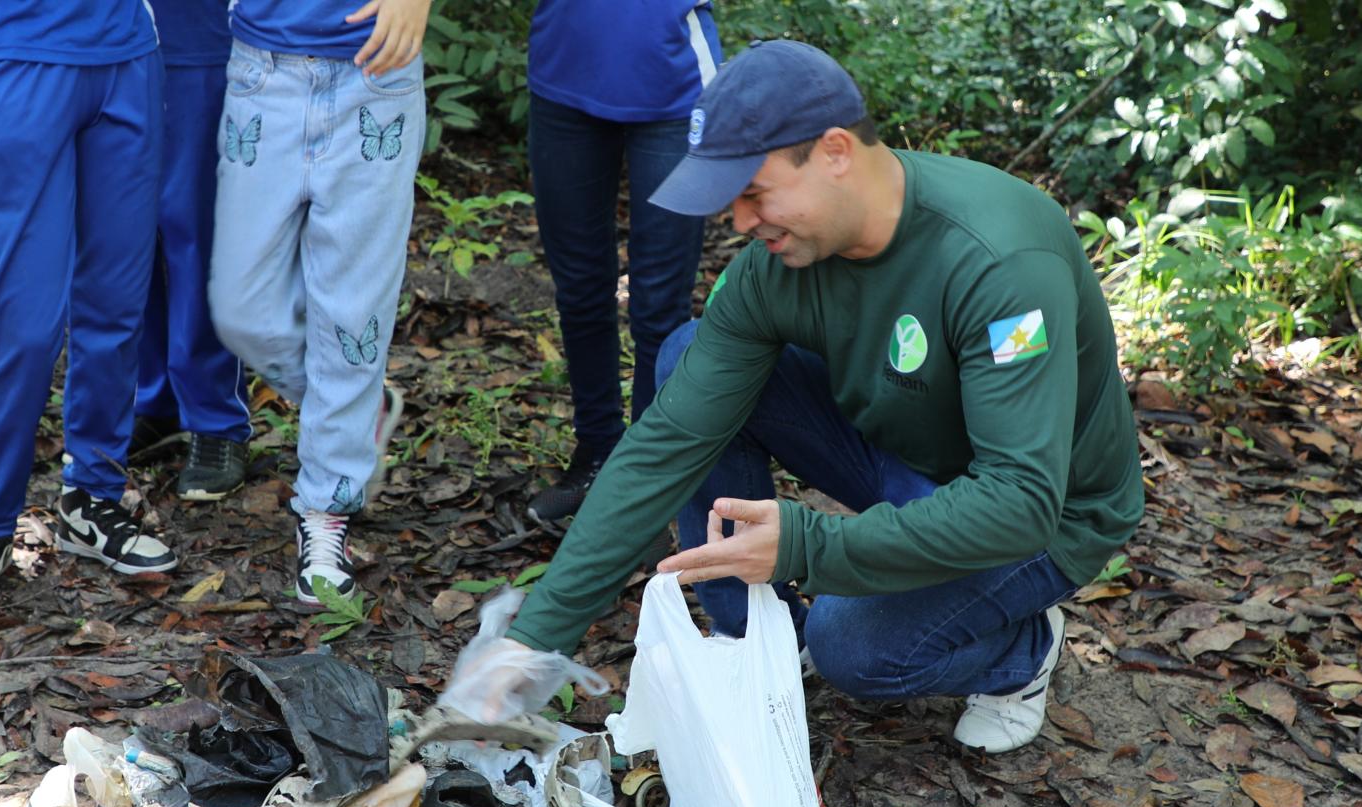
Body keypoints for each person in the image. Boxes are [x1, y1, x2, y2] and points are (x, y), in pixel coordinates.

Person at [448, 41, 1142, 753]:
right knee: (688, 356)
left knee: (854, 646)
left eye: (754, 191)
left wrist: (808, 543)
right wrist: (533, 642)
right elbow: (665, 447)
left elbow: (1019, 503)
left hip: (1049, 509)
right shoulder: (776, 269)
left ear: (835, 151)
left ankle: (1020, 651)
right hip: (902, 443)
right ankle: (756, 647)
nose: (740, 221)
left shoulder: (998, 263)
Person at [0, 0, 176, 618]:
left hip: (128, 53)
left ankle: (91, 499)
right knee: (25, 323)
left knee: (116, 306)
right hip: (22, 54)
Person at [207, 0, 427, 605]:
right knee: (238, 307)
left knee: (355, 308)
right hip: (262, 72)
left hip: (377, 73)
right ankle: (357, 413)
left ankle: (327, 511)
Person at [521, 0, 724, 530]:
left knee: (660, 303)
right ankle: (597, 456)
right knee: (582, 289)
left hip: (675, 85)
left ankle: (646, 485)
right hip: (564, 74)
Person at [135, 0, 253, 501]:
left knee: (195, 230)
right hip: (104, 41)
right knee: (123, 234)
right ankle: (152, 400)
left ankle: (215, 418)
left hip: (199, 33)